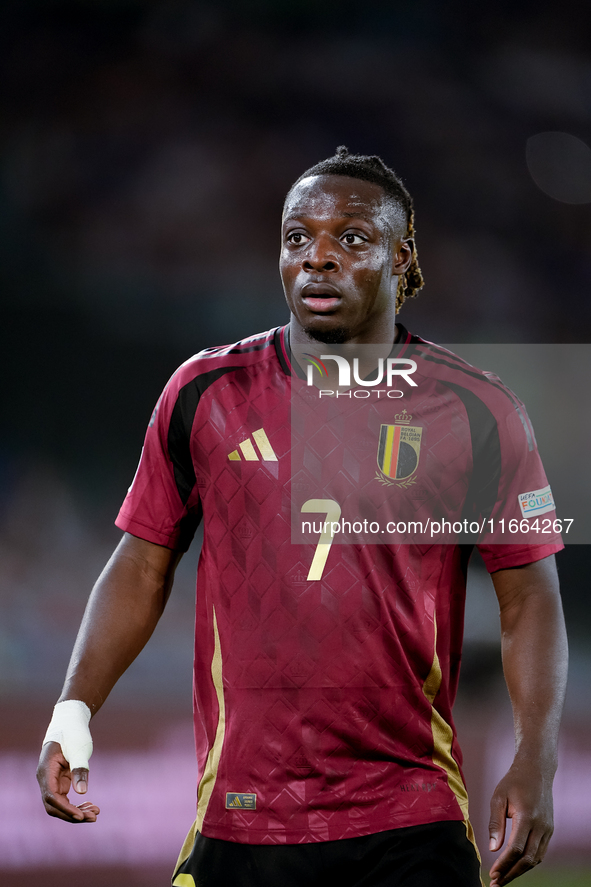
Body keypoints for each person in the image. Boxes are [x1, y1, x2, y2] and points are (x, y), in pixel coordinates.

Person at [37, 147, 568, 887]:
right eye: (297, 237)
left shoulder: (476, 408)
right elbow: (141, 561)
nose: (317, 257)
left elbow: (528, 593)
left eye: (350, 237)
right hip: (240, 812)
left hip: (409, 813)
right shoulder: (205, 392)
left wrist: (535, 757)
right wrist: (74, 709)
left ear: (400, 254)